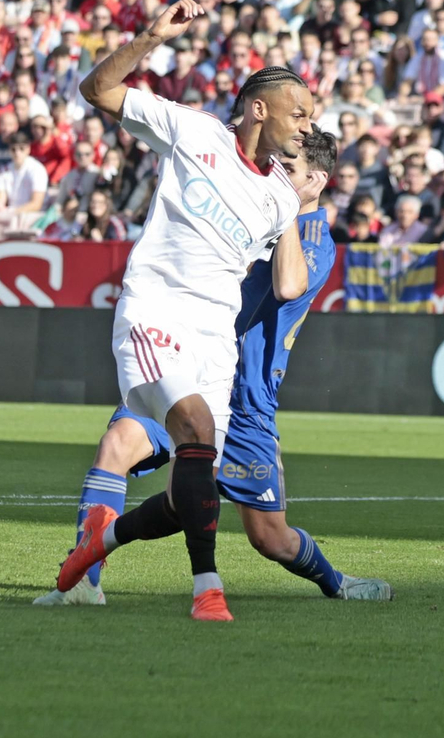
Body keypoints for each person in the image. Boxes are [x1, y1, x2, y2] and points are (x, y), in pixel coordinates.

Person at [37, 127, 390, 607]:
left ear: (317, 180)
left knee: (269, 537)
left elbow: (287, 286)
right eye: (275, 165)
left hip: (244, 398)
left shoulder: (313, 239)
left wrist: (282, 203)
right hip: (190, 363)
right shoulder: (254, 204)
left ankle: (337, 583)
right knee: (117, 444)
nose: (275, 175)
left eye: (288, 170)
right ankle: (84, 584)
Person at [48, 0, 313, 622]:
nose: (307, 125)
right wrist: (151, 37)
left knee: (186, 493)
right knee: (191, 429)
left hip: (213, 340)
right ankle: (207, 591)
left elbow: (290, 284)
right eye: (298, 112)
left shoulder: (279, 195)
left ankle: (99, 542)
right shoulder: (194, 131)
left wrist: (299, 207)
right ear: (258, 108)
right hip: (155, 313)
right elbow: (98, 88)